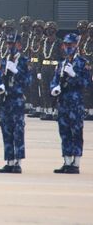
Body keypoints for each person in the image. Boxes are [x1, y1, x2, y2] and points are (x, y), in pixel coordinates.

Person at [50, 33, 90, 174]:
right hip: (63, 103)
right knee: (64, 133)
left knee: (76, 133)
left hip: (76, 104)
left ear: (76, 45)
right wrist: (54, 88)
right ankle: (67, 162)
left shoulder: (82, 63)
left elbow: (86, 83)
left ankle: (76, 163)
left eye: (71, 45)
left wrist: (74, 75)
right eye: (66, 45)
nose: (68, 47)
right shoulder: (61, 64)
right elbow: (54, 80)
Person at [0, 33, 31, 174]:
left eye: (12, 44)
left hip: (17, 99)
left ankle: (18, 162)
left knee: (18, 131)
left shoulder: (24, 61)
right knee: (6, 130)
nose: (10, 46)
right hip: (5, 100)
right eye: (8, 44)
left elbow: (28, 82)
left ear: (19, 45)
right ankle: (9, 161)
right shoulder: (3, 60)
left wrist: (17, 71)